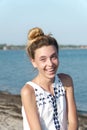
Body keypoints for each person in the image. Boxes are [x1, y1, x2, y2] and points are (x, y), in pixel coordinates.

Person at [21, 27, 78, 130]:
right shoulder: (29, 91)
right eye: (43, 59)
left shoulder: (66, 81)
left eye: (53, 57)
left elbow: (73, 123)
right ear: (33, 62)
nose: (50, 64)